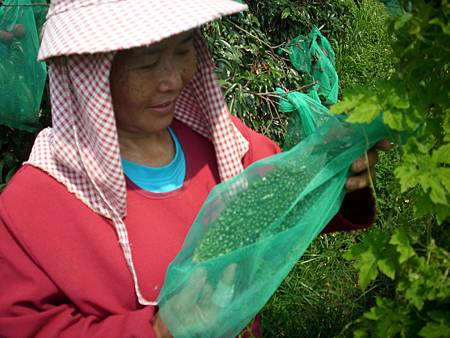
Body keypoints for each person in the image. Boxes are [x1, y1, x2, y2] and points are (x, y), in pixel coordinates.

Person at [0, 0, 391, 337]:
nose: (173, 80)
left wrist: (336, 176)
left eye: (185, 50)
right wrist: (158, 330)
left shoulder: (224, 145)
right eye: (147, 63)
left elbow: (282, 208)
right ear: (86, 74)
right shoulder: (34, 206)